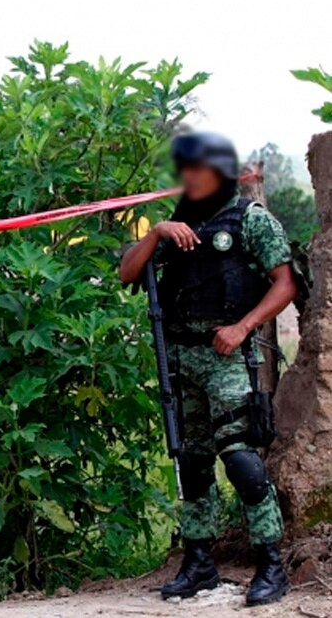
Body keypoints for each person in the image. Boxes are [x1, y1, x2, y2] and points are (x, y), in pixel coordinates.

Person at [119, 132, 297, 607]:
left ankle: (270, 564)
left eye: (198, 170)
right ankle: (199, 562)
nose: (188, 179)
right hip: (182, 357)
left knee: (240, 460)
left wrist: (243, 327)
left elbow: (286, 284)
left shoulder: (250, 221)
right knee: (192, 463)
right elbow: (127, 274)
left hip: (227, 357)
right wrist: (156, 232)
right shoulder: (178, 224)